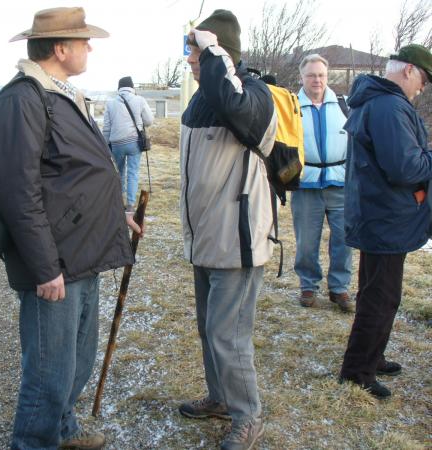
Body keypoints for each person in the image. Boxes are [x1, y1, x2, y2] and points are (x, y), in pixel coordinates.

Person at [0, 7, 142, 449]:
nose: (90, 47)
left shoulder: (62, 94)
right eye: (83, 41)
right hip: (55, 260)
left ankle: (63, 432)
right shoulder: (24, 99)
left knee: (76, 361)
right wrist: (43, 267)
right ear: (61, 48)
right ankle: (34, 441)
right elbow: (18, 192)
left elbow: (75, 174)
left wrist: (117, 215)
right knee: (49, 372)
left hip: (83, 252)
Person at [178, 10, 276, 450]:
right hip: (205, 238)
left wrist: (213, 50)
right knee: (208, 328)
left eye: (195, 52)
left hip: (237, 240)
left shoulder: (254, 94)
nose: (190, 61)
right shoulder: (203, 98)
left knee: (228, 334)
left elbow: (239, 109)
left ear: (221, 52)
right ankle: (221, 398)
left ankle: (247, 415)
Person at [339, 44, 432, 399]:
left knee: (378, 293)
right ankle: (357, 371)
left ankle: (371, 357)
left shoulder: (376, 101)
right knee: (381, 296)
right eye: (422, 79)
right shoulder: (389, 106)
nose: (422, 88)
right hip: (385, 216)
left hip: (379, 213)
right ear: (408, 70)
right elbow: (405, 167)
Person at [292, 54, 353, 311]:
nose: (317, 80)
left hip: (340, 184)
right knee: (307, 241)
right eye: (311, 75)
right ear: (302, 77)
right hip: (306, 185)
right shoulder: (292, 107)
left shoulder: (344, 105)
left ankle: (339, 288)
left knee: (344, 240)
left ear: (326, 77)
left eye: (321, 75)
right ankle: (308, 285)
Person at [102, 76, 153, 211]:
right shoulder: (139, 100)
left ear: (119, 88)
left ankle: (119, 201)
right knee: (133, 172)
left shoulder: (110, 103)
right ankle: (130, 205)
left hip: (116, 143)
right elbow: (149, 121)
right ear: (132, 87)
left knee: (118, 172)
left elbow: (106, 128)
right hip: (134, 142)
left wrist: (105, 145)